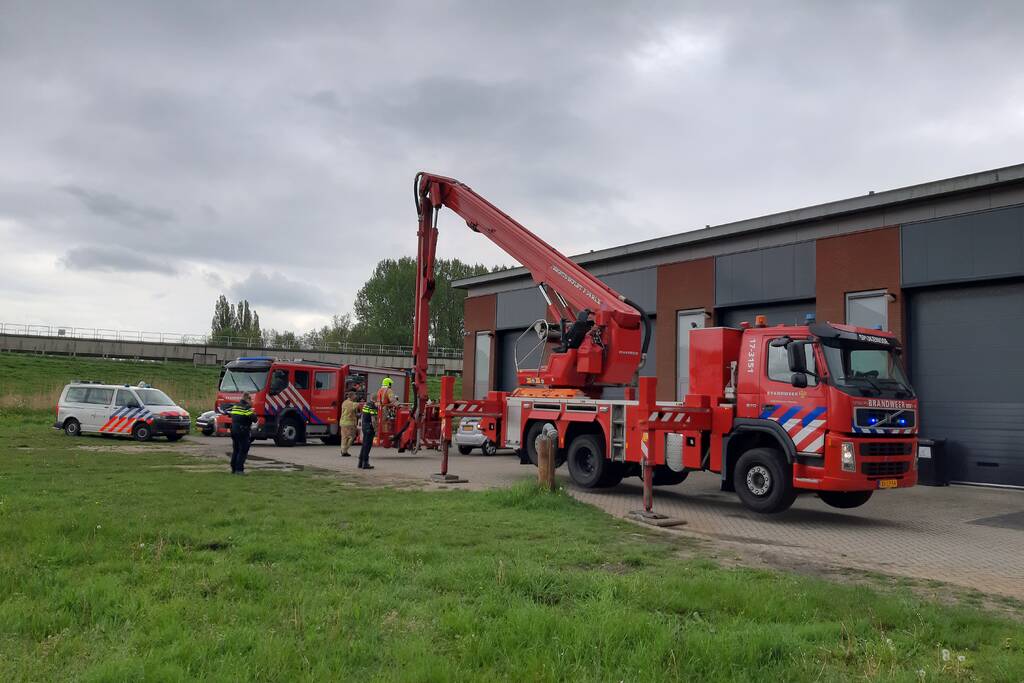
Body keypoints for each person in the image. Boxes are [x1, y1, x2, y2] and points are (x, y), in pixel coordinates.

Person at [228, 393, 256, 475]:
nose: (252, 402)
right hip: (242, 430)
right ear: (248, 400)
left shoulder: (235, 406)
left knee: (236, 450)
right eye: (251, 400)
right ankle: (239, 470)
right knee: (243, 449)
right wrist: (252, 412)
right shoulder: (246, 408)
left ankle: (233, 469)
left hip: (233, 430)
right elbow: (254, 419)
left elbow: (233, 416)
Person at [358, 400, 378, 470]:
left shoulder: (366, 404)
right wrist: (375, 429)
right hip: (369, 427)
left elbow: (363, 415)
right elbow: (373, 419)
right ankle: (365, 463)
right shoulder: (373, 406)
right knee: (367, 446)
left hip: (364, 426)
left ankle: (360, 462)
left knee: (364, 444)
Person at [339, 391, 359, 457]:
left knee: (344, 437)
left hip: (343, 422)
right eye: (354, 395)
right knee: (352, 437)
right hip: (349, 423)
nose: (355, 396)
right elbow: (355, 408)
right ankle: (344, 450)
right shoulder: (352, 404)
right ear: (351, 396)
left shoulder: (344, 402)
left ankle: (343, 450)